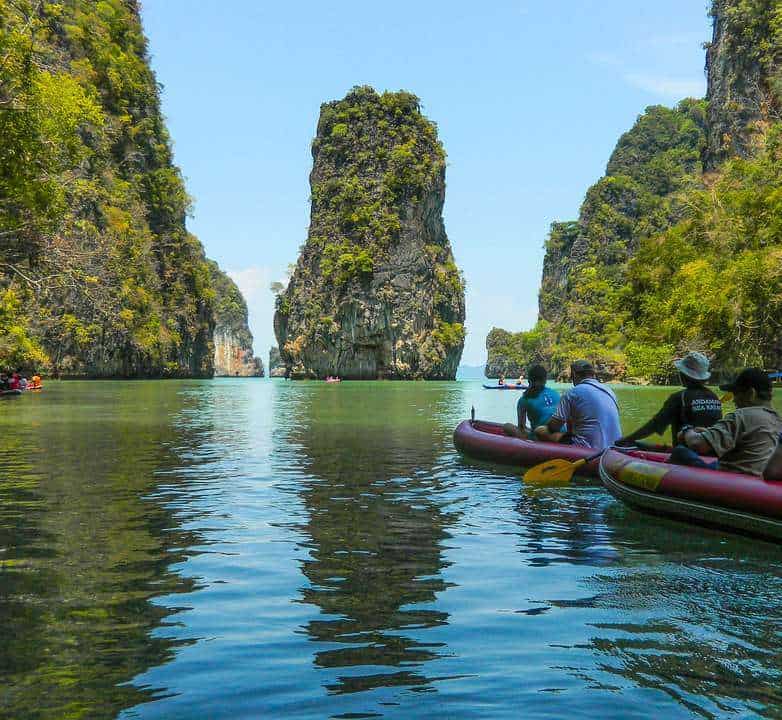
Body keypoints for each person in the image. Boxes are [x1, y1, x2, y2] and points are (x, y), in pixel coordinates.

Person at [670, 368, 782, 476]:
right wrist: (709, 433)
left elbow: (697, 443)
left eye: (736, 394)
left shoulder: (741, 416)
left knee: (680, 452)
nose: (734, 400)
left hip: (730, 478)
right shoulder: (777, 420)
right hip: (757, 478)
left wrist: (687, 430)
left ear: (751, 393)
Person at [617, 352, 722, 447]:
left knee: (631, 444)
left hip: (685, 453)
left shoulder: (679, 398)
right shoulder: (714, 396)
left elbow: (654, 425)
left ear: (683, 375)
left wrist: (627, 439)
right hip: (712, 452)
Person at [535, 359, 622, 449]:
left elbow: (553, 427)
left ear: (574, 374)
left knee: (540, 431)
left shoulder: (572, 393)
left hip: (587, 448)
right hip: (614, 448)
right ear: (593, 374)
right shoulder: (609, 391)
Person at [505, 365, 561, 439]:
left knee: (507, 426)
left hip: (541, 437)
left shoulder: (524, 399)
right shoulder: (556, 393)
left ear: (529, 380)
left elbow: (521, 427)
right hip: (561, 435)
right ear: (545, 380)